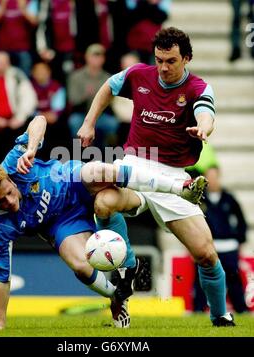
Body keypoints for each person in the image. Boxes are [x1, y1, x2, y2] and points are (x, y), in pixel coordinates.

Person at [0, 115, 206, 330]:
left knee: (97, 170)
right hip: (62, 223)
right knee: (81, 266)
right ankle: (118, 296)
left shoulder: (14, 164)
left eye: (10, 192)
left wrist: (31, 149)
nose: (10, 201)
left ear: (10, 179)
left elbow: (39, 120)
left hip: (71, 181)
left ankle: (179, 188)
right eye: (1, 201)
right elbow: (1, 277)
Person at [78, 27, 235, 327]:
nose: (163, 67)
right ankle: (127, 266)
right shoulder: (139, 75)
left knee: (206, 254)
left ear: (186, 58)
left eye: (171, 61)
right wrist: (89, 124)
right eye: (159, 60)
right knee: (103, 203)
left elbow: (206, 113)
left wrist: (204, 128)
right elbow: (108, 87)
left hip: (173, 175)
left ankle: (220, 316)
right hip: (136, 165)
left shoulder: (198, 88)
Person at [194, 166, 249, 313]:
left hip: (229, 246)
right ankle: (198, 309)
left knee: (233, 279)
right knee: (202, 279)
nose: (212, 180)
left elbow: (241, 221)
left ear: (219, 177)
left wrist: (239, 240)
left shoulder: (229, 199)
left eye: (214, 176)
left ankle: (241, 309)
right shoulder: (199, 199)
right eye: (208, 177)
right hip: (207, 246)